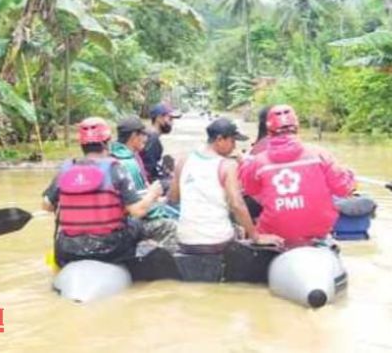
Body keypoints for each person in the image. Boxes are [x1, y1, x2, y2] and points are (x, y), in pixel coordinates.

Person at [42, 117, 177, 267]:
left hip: (68, 250)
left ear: (81, 144)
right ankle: (163, 268)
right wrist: (152, 194)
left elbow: (47, 205)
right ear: (106, 143)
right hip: (110, 249)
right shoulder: (115, 168)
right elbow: (137, 211)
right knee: (166, 226)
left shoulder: (65, 170)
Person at [167, 118, 283, 283]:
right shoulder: (227, 166)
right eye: (233, 140)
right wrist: (256, 236)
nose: (235, 146)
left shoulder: (183, 161)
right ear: (219, 139)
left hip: (186, 241)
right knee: (241, 230)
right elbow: (237, 204)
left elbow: (173, 197)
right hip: (217, 242)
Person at [239, 105, 356, 247]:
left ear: (269, 131)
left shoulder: (258, 162)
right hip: (317, 234)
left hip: (274, 234)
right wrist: (350, 175)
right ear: (297, 127)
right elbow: (343, 188)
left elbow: (251, 189)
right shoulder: (320, 154)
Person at [140, 104, 181, 188]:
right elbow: (149, 170)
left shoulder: (150, 135)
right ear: (159, 118)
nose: (172, 123)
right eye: (170, 118)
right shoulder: (152, 139)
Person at [110, 116, 149, 191]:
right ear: (134, 136)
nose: (145, 138)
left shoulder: (110, 153)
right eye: (143, 134)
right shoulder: (130, 163)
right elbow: (141, 197)